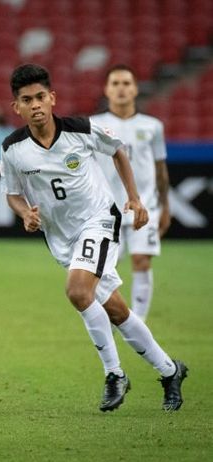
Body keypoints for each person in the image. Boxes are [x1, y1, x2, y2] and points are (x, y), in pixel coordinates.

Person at [0, 64, 187, 412]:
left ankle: (114, 374)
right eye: (27, 100)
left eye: (41, 96)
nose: (36, 104)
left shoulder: (81, 130)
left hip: (98, 219)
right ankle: (170, 370)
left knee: (77, 291)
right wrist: (24, 212)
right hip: (61, 238)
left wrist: (133, 197)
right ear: (17, 108)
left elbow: (118, 151)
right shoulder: (12, 149)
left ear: (52, 98)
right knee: (115, 309)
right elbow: (12, 193)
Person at [91, 64, 170, 322]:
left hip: (145, 205)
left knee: (141, 262)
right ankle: (116, 319)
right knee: (105, 271)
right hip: (106, 209)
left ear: (135, 89)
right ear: (106, 90)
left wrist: (166, 207)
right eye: (115, 83)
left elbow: (160, 170)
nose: (121, 89)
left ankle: (139, 323)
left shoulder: (152, 126)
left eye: (126, 83)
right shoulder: (94, 125)